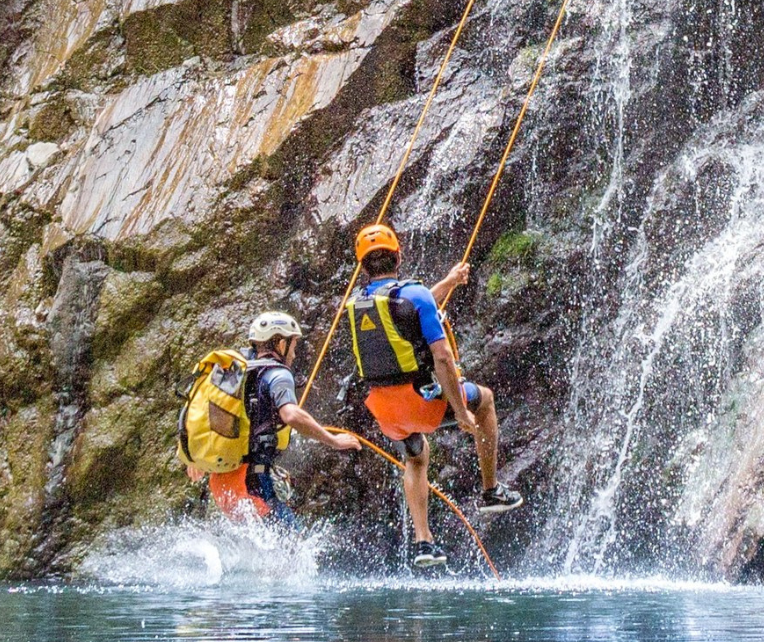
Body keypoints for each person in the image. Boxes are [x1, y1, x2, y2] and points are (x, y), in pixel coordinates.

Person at [346, 224, 523, 567]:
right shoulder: (414, 295)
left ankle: (423, 542)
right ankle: (491, 490)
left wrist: (449, 282)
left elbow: (407, 310)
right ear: (398, 256)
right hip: (423, 401)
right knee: (483, 400)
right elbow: (441, 356)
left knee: (416, 457)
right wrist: (459, 410)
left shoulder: (357, 303)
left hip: (385, 410)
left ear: (363, 267)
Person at [187, 312, 360, 527]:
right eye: (294, 345)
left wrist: (198, 458)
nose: (295, 354)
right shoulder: (278, 374)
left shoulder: (238, 372)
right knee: (294, 545)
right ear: (280, 343)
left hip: (222, 484)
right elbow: (292, 414)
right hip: (251, 483)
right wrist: (334, 441)